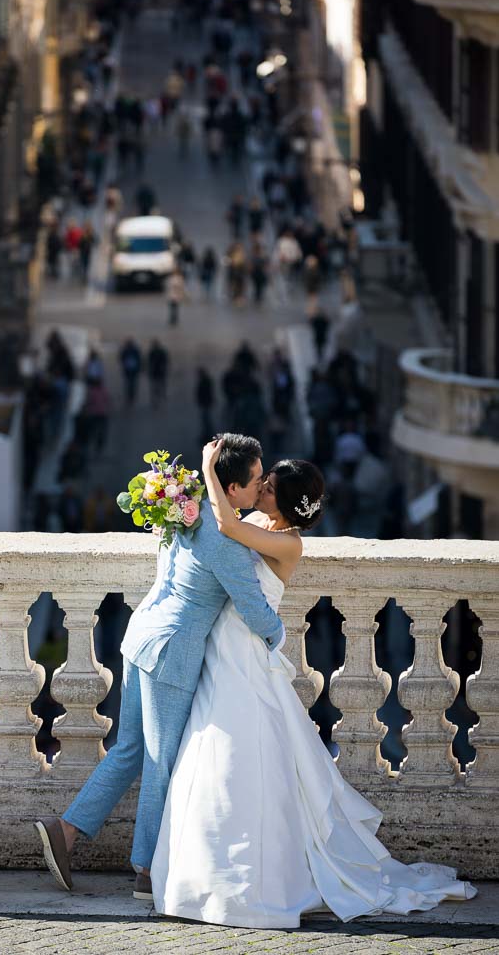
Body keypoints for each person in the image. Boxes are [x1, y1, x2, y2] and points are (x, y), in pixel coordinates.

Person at [150, 440, 477, 927]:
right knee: (210, 750)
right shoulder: (260, 524)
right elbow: (222, 534)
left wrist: (205, 468)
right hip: (221, 650)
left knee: (238, 754)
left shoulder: (288, 542)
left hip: (246, 658)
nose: (260, 487)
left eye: (270, 485)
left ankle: (240, 880)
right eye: (262, 481)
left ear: (283, 500)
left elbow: (224, 526)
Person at [34, 434, 285, 901]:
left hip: (141, 636)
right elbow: (253, 608)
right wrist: (278, 638)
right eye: (254, 482)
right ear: (231, 490)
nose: (260, 487)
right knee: (159, 762)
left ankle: (65, 832)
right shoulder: (225, 539)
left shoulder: (186, 509)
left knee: (130, 749)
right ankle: (147, 869)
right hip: (171, 654)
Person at [119, 338, 142, 405]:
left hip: (130, 369)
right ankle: (131, 396)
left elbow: (121, 358)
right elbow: (139, 359)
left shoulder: (127, 350)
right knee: (131, 383)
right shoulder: (134, 350)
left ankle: (130, 396)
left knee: (129, 383)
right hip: (131, 370)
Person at [146, 339, 169, 405]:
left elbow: (165, 361)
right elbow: (149, 362)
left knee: (159, 385)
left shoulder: (157, 352)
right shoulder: (153, 352)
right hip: (156, 371)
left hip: (158, 371)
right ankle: (157, 397)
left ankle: (159, 396)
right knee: (156, 385)